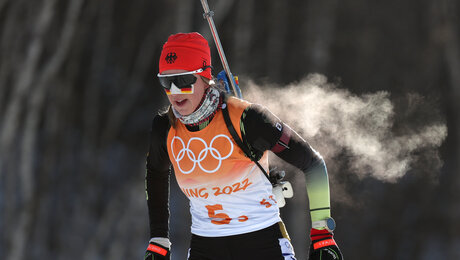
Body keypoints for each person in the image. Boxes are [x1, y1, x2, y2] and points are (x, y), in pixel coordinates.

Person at [144, 32, 343, 260]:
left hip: (262, 244)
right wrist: (158, 239)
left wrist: (322, 234)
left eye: (183, 81)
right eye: (166, 82)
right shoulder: (165, 129)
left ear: (204, 76)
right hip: (205, 248)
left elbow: (313, 164)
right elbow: (156, 173)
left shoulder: (248, 119)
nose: (175, 92)